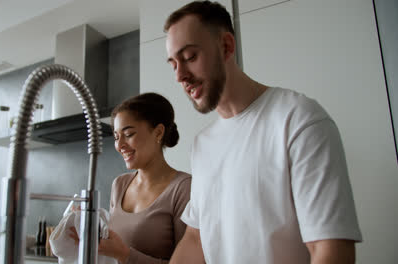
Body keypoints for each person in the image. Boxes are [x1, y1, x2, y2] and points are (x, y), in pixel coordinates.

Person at [164, 1, 362, 263]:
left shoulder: (297, 120)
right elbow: (195, 239)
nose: (180, 76)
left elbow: (331, 250)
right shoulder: (203, 144)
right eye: (173, 64)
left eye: (189, 57)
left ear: (226, 46)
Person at [71, 92, 191, 263]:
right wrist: (86, 227)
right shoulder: (120, 184)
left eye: (128, 135)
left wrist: (126, 255)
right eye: (116, 137)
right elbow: (113, 247)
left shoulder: (183, 188)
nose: (120, 146)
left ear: (158, 132)